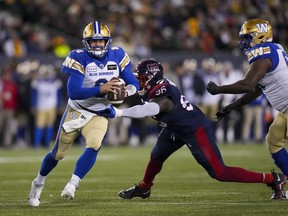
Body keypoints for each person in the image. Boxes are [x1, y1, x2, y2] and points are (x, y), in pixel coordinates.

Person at [105, 59, 286, 200]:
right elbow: (140, 95)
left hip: (193, 128)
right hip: (174, 127)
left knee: (220, 172)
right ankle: (144, 188)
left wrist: (118, 113)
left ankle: (272, 179)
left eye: (142, 79)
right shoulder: (159, 85)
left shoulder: (163, 93)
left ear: (152, 78)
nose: (139, 82)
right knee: (156, 156)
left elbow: (150, 110)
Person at [28, 20, 139, 207]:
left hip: (100, 111)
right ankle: (38, 183)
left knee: (94, 144)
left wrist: (125, 92)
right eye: (93, 41)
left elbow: (134, 83)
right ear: (86, 42)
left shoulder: (118, 55)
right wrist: (102, 88)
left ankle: (73, 184)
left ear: (107, 41)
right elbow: (74, 92)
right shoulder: (78, 57)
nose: (97, 44)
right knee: (58, 154)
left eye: (101, 41)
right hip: (77, 109)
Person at [206, 19, 288, 184]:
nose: (243, 42)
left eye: (247, 37)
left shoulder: (263, 52)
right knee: (274, 142)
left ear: (260, 36)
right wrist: (231, 106)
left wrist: (219, 89)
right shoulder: (272, 49)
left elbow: (247, 84)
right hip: (285, 109)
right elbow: (256, 89)